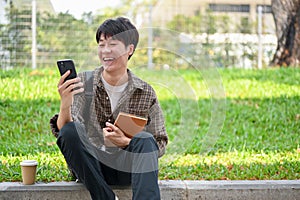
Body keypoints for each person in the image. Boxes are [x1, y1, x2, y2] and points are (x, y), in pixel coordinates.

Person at [49, 17, 168, 200]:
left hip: (127, 167)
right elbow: (66, 133)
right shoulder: (83, 83)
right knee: (71, 130)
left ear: (130, 49)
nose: (105, 51)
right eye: (101, 44)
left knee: (145, 139)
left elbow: (159, 143)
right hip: (91, 167)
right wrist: (66, 102)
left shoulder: (145, 92)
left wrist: (126, 142)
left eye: (112, 44)